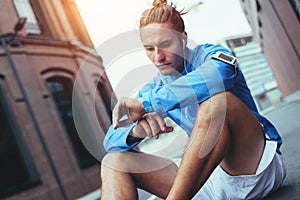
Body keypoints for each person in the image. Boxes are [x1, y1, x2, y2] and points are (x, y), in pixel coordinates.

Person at [100, 0, 286, 199]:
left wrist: (149, 104)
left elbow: (220, 74)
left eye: (165, 44)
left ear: (183, 38)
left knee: (216, 103)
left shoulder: (210, 55)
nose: (158, 57)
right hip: (208, 178)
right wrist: (136, 130)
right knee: (114, 161)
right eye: (149, 49)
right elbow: (110, 141)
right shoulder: (154, 88)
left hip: (253, 167)